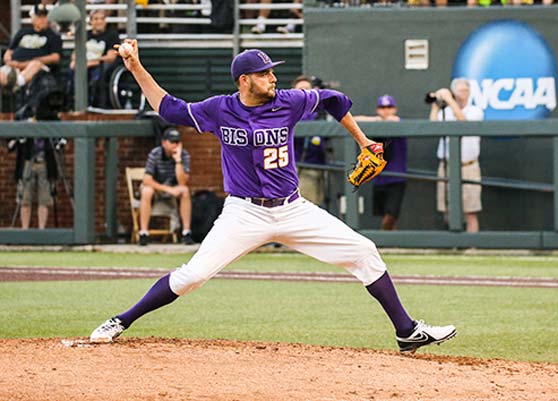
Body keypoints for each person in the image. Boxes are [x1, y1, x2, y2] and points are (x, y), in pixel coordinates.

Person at [90, 45, 456, 353]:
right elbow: (168, 108)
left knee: (364, 251)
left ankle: (406, 332)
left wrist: (363, 142)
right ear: (244, 80)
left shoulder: (289, 102)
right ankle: (121, 320)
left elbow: (334, 99)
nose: (273, 78)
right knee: (193, 276)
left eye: (272, 72)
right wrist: (135, 66)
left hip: (293, 208)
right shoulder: (220, 109)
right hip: (244, 212)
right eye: (264, 74)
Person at [429, 78, 484, 233]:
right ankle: (452, 243)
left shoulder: (475, 110)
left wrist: (449, 100)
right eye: (460, 90)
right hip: (447, 165)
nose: (463, 94)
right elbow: (431, 127)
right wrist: (436, 104)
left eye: (466, 90)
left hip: (468, 166)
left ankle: (472, 245)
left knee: (470, 210)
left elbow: (464, 124)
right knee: (447, 209)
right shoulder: (445, 112)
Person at [355, 95, 407, 230]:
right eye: (382, 108)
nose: (386, 111)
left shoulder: (399, 123)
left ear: (395, 109)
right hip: (379, 178)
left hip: (396, 177)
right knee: (384, 214)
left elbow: (395, 121)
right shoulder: (375, 123)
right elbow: (355, 120)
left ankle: (385, 241)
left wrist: (386, 120)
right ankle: (392, 243)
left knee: (391, 215)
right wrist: (377, 120)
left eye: (389, 107)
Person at [139, 127, 194, 246]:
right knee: (146, 191)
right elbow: (147, 180)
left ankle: (186, 232)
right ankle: (143, 233)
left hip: (173, 188)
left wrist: (178, 161)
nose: (175, 145)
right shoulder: (155, 153)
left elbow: (182, 182)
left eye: (177, 142)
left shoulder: (183, 155)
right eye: (172, 142)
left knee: (185, 191)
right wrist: (168, 189)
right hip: (157, 187)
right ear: (164, 142)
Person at [0, 4, 62, 93]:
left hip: (37, 68)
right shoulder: (23, 32)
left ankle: (16, 84)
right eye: (39, 17)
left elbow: (55, 57)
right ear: (32, 19)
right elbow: (9, 51)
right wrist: (9, 61)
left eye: (45, 17)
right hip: (14, 66)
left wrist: (28, 62)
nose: (42, 20)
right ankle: (10, 89)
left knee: (35, 64)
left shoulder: (53, 36)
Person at [68, 9, 119, 108]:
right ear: (91, 21)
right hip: (83, 64)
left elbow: (111, 57)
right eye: (96, 19)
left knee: (96, 74)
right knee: (71, 69)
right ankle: (72, 104)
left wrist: (92, 62)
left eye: (102, 19)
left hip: (100, 66)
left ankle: (94, 105)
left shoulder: (112, 35)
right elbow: (75, 53)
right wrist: (75, 61)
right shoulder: (85, 34)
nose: (99, 21)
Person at [292, 75, 327, 206]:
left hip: (321, 166)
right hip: (302, 167)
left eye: (307, 89)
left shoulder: (319, 111)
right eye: (300, 90)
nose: (304, 93)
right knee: (306, 205)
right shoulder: (291, 111)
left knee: (319, 204)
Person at [8, 138, 58, 229]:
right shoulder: (22, 122)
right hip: (27, 161)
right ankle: (25, 229)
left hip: (45, 162)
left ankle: (41, 230)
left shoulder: (48, 122)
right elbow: (11, 140)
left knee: (44, 200)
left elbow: (58, 137)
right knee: (25, 200)